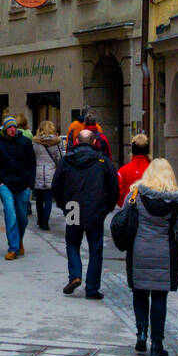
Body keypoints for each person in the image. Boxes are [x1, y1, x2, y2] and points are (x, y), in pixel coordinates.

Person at [123, 158, 178, 356]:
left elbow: (123, 219)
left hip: (139, 250)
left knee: (140, 293)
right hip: (164, 253)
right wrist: (177, 250)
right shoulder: (177, 201)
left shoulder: (135, 194)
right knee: (160, 297)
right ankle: (157, 344)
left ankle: (142, 333)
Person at [51, 128, 119, 299]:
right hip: (95, 209)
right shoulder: (103, 161)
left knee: (72, 243)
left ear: (76, 142)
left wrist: (63, 205)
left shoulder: (67, 160)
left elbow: (57, 185)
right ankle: (92, 288)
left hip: (73, 207)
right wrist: (107, 208)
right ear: (95, 142)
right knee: (95, 248)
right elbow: (113, 188)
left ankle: (75, 274)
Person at [0, 116, 36, 260]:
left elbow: (32, 164)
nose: (12, 129)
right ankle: (13, 247)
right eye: (9, 127)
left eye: (14, 127)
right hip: (5, 184)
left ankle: (19, 239)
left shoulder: (26, 143)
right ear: (4, 129)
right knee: (10, 213)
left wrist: (30, 185)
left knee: (22, 217)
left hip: (23, 184)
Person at [32, 120, 63, 230]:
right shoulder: (57, 143)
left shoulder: (35, 142)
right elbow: (60, 159)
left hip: (38, 172)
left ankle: (40, 219)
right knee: (49, 199)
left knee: (39, 199)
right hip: (51, 173)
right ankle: (45, 222)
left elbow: (32, 157)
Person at [117, 133, 151, 207]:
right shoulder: (153, 170)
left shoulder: (123, 170)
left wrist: (124, 205)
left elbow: (117, 192)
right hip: (149, 210)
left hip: (129, 208)